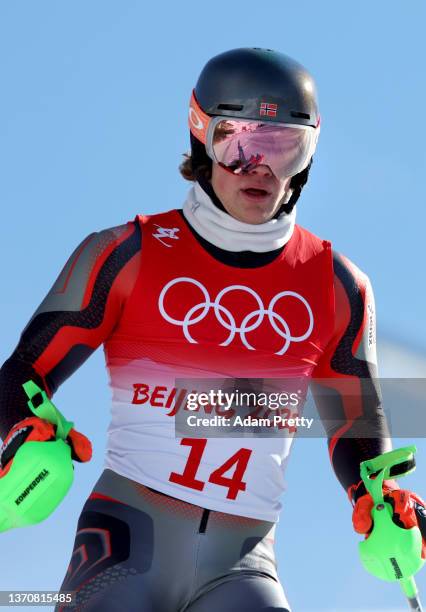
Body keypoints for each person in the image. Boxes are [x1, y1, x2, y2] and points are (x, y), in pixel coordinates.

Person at [0, 47, 425, 612]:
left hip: (244, 561)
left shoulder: (338, 285)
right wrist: (23, 427)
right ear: (202, 138)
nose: (262, 169)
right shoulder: (125, 254)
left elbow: (358, 421)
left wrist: (381, 498)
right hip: (127, 540)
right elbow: (22, 373)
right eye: (240, 144)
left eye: (286, 148)